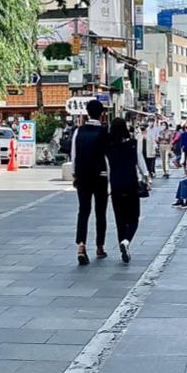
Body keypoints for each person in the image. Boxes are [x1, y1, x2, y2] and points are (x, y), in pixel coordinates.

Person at [72, 99, 110, 265]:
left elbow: (74, 155)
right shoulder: (104, 132)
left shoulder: (78, 131)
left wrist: (75, 175)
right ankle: (100, 246)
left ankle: (81, 245)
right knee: (100, 212)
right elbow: (108, 156)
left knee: (83, 210)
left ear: (87, 112)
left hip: (82, 176)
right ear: (101, 113)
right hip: (100, 175)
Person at [108, 118, 150, 262]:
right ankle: (126, 241)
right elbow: (140, 161)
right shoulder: (133, 144)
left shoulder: (109, 146)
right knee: (134, 218)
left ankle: (122, 245)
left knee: (120, 219)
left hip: (115, 185)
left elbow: (107, 167)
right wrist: (146, 176)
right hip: (131, 184)